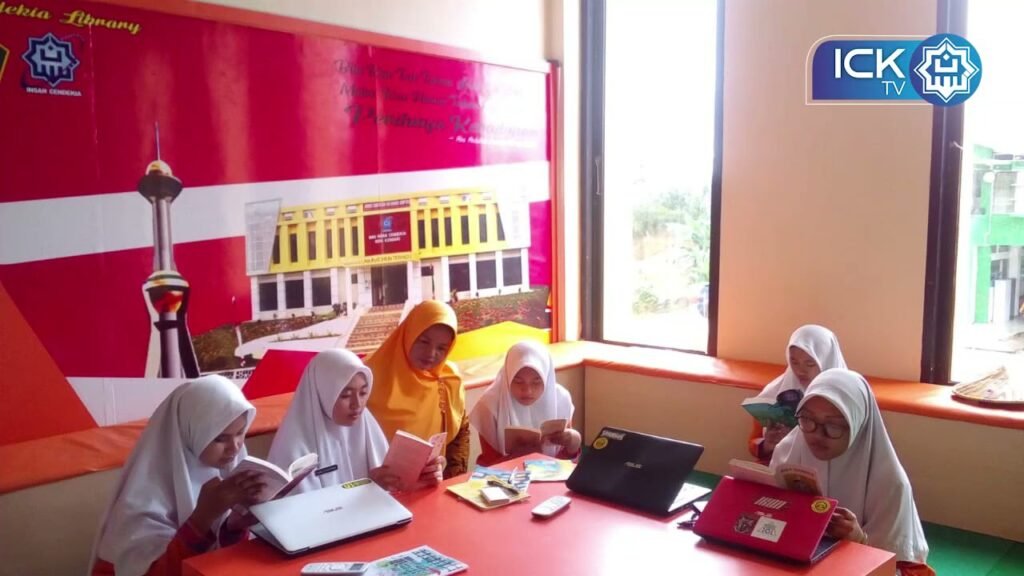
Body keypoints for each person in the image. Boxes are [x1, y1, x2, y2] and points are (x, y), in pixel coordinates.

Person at [90, 376, 264, 576]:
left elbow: (220, 564)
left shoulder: (225, 470)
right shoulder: (143, 499)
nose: (234, 447)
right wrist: (203, 517)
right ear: (191, 432)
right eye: (220, 438)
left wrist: (233, 528)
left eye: (241, 433)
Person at [770, 369, 933, 575]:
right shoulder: (787, 452)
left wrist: (858, 539)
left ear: (858, 424)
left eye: (833, 425)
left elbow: (898, 565)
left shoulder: (889, 481)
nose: (817, 435)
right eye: (807, 419)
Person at [267, 349, 442, 493]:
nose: (357, 404)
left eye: (363, 393)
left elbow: (393, 490)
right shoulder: (293, 448)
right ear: (322, 394)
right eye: (345, 395)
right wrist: (367, 488)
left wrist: (419, 478)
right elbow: (302, 516)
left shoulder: (366, 425)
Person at [365, 300, 469, 478]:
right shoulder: (366, 378)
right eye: (423, 342)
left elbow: (458, 439)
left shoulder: (448, 381)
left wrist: (447, 479)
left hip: (428, 487)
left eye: (442, 348)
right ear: (408, 334)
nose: (431, 354)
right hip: (372, 490)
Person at [469, 340, 580, 465]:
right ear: (508, 376)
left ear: (546, 378)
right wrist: (517, 458)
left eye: (536, 382)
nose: (527, 390)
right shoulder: (490, 405)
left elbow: (565, 463)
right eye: (518, 381)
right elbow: (488, 464)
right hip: (505, 480)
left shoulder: (560, 399)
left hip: (550, 478)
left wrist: (574, 444)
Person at [748, 324, 847, 462]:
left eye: (810, 364)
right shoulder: (775, 392)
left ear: (826, 361)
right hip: (778, 471)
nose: (800, 371)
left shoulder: (845, 397)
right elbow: (754, 444)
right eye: (794, 362)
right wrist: (768, 444)